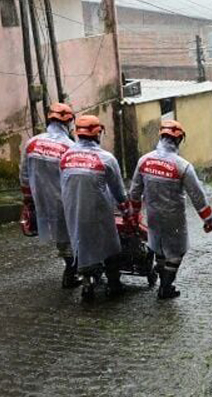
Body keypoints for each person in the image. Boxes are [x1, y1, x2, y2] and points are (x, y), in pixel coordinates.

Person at [129, 120, 212, 299]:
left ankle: (163, 282)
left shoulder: (144, 161)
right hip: (174, 218)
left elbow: (134, 192)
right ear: (178, 140)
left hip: (152, 215)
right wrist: (208, 220)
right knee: (176, 253)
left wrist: (135, 214)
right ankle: (166, 287)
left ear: (161, 136)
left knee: (159, 248)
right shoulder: (183, 166)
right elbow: (197, 196)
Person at [60, 115, 130, 299]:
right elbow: (119, 193)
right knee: (110, 245)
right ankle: (114, 284)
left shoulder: (66, 157)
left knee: (81, 244)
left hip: (73, 211)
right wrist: (127, 212)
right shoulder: (106, 159)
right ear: (98, 133)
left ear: (77, 134)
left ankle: (87, 284)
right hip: (99, 212)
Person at [19, 102, 78, 288]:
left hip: (41, 198)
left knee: (60, 237)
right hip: (64, 200)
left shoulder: (32, 143)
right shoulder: (70, 147)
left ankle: (71, 269)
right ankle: (71, 272)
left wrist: (29, 197)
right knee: (70, 236)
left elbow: (24, 173)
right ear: (69, 122)